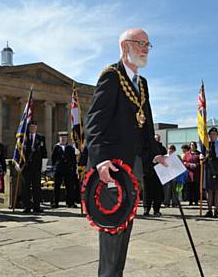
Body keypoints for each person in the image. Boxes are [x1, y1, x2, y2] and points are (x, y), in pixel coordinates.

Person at [85, 28, 166, 277]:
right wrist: (99, 161)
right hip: (111, 166)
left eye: (147, 44)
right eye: (140, 43)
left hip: (133, 165)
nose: (145, 48)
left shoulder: (142, 83)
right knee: (112, 229)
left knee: (125, 226)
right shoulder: (112, 75)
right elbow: (95, 122)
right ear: (124, 46)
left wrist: (156, 153)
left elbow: (146, 123)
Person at [21, 120, 47, 213]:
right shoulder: (24, 137)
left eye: (34, 127)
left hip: (36, 167)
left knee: (37, 188)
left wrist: (43, 167)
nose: (32, 128)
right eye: (31, 127)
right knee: (26, 187)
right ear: (29, 128)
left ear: (36, 127)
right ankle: (27, 207)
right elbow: (20, 152)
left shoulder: (41, 137)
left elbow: (44, 152)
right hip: (26, 167)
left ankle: (37, 206)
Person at [203, 127, 218, 218]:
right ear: (209, 135)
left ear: (217, 135)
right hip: (209, 166)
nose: (213, 135)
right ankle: (209, 210)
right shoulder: (205, 145)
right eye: (211, 134)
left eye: (215, 134)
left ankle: (216, 210)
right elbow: (202, 156)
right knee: (209, 189)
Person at [50, 132, 78, 208]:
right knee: (56, 186)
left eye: (64, 138)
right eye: (62, 138)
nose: (63, 139)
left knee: (69, 186)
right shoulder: (56, 147)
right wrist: (54, 167)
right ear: (59, 138)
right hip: (58, 169)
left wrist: (73, 168)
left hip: (68, 169)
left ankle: (70, 203)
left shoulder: (70, 147)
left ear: (67, 139)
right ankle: (55, 202)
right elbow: (53, 158)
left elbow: (73, 159)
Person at [143, 134, 165, 216]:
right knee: (147, 192)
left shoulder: (162, 149)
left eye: (157, 139)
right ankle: (146, 209)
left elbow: (165, 158)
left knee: (157, 193)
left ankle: (156, 210)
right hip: (148, 172)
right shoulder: (147, 147)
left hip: (159, 174)